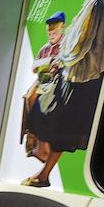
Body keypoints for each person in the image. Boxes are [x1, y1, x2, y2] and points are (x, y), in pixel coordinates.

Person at [24, 0, 104, 188]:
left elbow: (80, 44)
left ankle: (43, 175)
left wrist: (60, 61)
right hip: (98, 73)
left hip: (80, 75)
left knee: (56, 125)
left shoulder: (97, 2)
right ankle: (44, 170)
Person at [21, 11, 66, 162]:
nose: (52, 36)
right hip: (43, 80)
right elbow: (34, 68)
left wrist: (56, 65)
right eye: (49, 33)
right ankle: (31, 132)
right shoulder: (44, 49)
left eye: (54, 32)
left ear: (62, 28)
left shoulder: (66, 44)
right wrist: (41, 64)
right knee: (29, 97)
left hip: (59, 80)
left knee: (47, 105)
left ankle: (43, 142)